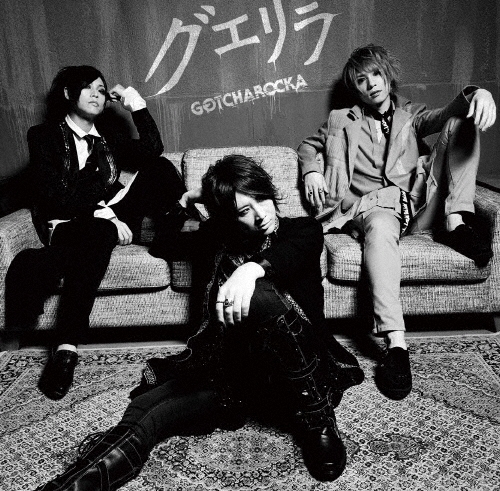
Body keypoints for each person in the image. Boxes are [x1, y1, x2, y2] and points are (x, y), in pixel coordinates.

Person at [34, 154, 365, 489]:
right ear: (229, 218)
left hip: (300, 372)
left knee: (258, 294)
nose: (260, 214)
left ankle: (319, 420)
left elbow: (288, 255)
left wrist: (250, 271)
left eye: (261, 199)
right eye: (243, 211)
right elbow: (162, 244)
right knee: (145, 412)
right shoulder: (217, 240)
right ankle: (69, 485)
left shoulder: (303, 230)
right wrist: (185, 201)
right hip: (237, 375)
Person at [297, 44, 497, 401]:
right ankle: (396, 345)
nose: (371, 83)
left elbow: (447, 114)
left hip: (418, 207)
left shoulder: (411, 114)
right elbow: (308, 147)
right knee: (379, 227)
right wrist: (311, 170)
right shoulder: (341, 119)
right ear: (356, 88)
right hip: (375, 209)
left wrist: (477, 94)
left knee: (459, 123)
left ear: (388, 75)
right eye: (362, 79)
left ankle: (455, 221)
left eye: (376, 74)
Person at [3, 65, 186, 400]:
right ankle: (66, 348)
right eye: (88, 88)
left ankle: (172, 228)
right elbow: (54, 195)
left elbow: (153, 148)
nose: (97, 95)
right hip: (68, 224)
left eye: (101, 90)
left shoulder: (108, 139)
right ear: (68, 93)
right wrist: (105, 215)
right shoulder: (43, 136)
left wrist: (134, 103)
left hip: (110, 216)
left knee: (158, 166)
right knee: (100, 231)